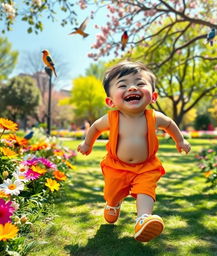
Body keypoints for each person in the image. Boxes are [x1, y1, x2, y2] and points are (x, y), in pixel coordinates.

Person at [77, 61, 191, 242]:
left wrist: (180, 140)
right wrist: (87, 144)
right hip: (117, 167)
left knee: (147, 190)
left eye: (140, 83)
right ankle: (113, 205)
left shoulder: (154, 117)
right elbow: (95, 128)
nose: (132, 88)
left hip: (146, 166)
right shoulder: (111, 118)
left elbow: (170, 124)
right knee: (112, 193)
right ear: (110, 101)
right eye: (123, 85)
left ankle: (142, 220)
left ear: (153, 96)